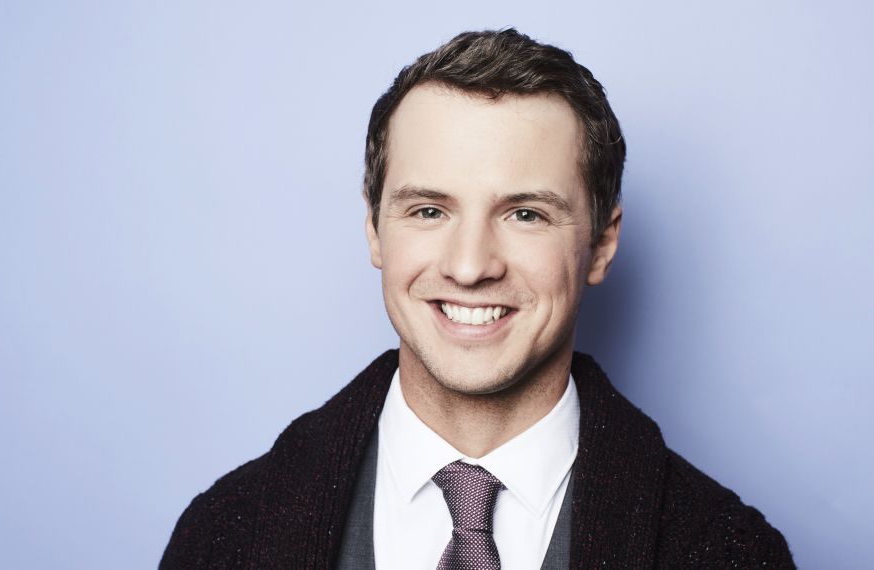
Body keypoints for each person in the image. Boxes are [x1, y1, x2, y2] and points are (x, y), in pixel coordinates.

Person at [160, 29, 794, 569]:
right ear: (375, 231)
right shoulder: (223, 536)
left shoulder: (728, 549)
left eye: (525, 214)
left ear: (601, 245)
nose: (469, 267)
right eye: (429, 210)